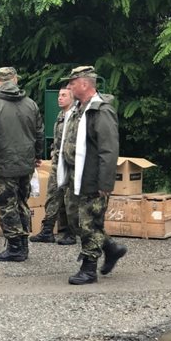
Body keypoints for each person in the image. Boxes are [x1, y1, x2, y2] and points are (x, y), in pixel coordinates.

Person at [59, 66, 127, 285]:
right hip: (75, 177)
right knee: (77, 221)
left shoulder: (101, 110)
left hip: (91, 178)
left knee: (90, 223)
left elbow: (109, 149)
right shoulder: (79, 108)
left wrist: (105, 182)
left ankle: (89, 269)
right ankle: (111, 248)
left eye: (73, 82)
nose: (69, 86)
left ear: (85, 84)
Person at [0, 67, 44, 262]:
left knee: (6, 205)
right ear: (15, 80)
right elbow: (39, 133)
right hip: (26, 164)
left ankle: (14, 247)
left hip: (4, 164)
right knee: (22, 202)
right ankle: (23, 244)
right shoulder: (31, 104)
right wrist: (38, 155)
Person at [30, 87, 77, 245]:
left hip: (72, 163)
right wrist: (53, 152)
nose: (59, 98)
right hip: (58, 162)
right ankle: (47, 230)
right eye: (59, 95)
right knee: (52, 194)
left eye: (63, 95)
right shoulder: (60, 115)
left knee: (71, 198)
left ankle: (71, 232)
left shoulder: (77, 117)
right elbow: (58, 139)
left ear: (72, 98)